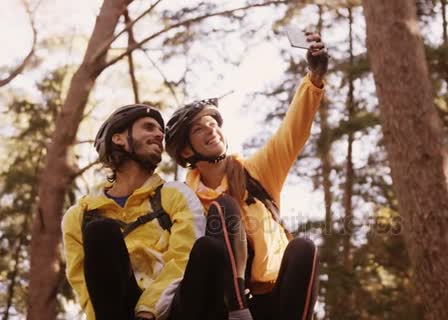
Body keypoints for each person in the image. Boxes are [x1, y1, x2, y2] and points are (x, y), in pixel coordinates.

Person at [164, 31, 328, 320]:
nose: (211, 129)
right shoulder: (180, 200)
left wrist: (313, 78)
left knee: (304, 248)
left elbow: (293, 132)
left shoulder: (255, 173)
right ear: (186, 152)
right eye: (199, 129)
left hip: (270, 294)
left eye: (213, 123)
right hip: (220, 301)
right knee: (224, 208)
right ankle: (237, 308)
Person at [62, 104, 207, 320]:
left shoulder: (175, 194)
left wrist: (148, 310)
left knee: (209, 250)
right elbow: (85, 288)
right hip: (116, 311)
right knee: (100, 232)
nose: (159, 135)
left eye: (160, 131)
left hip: (172, 309)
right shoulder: (79, 216)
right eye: (149, 127)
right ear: (118, 139)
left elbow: (184, 258)